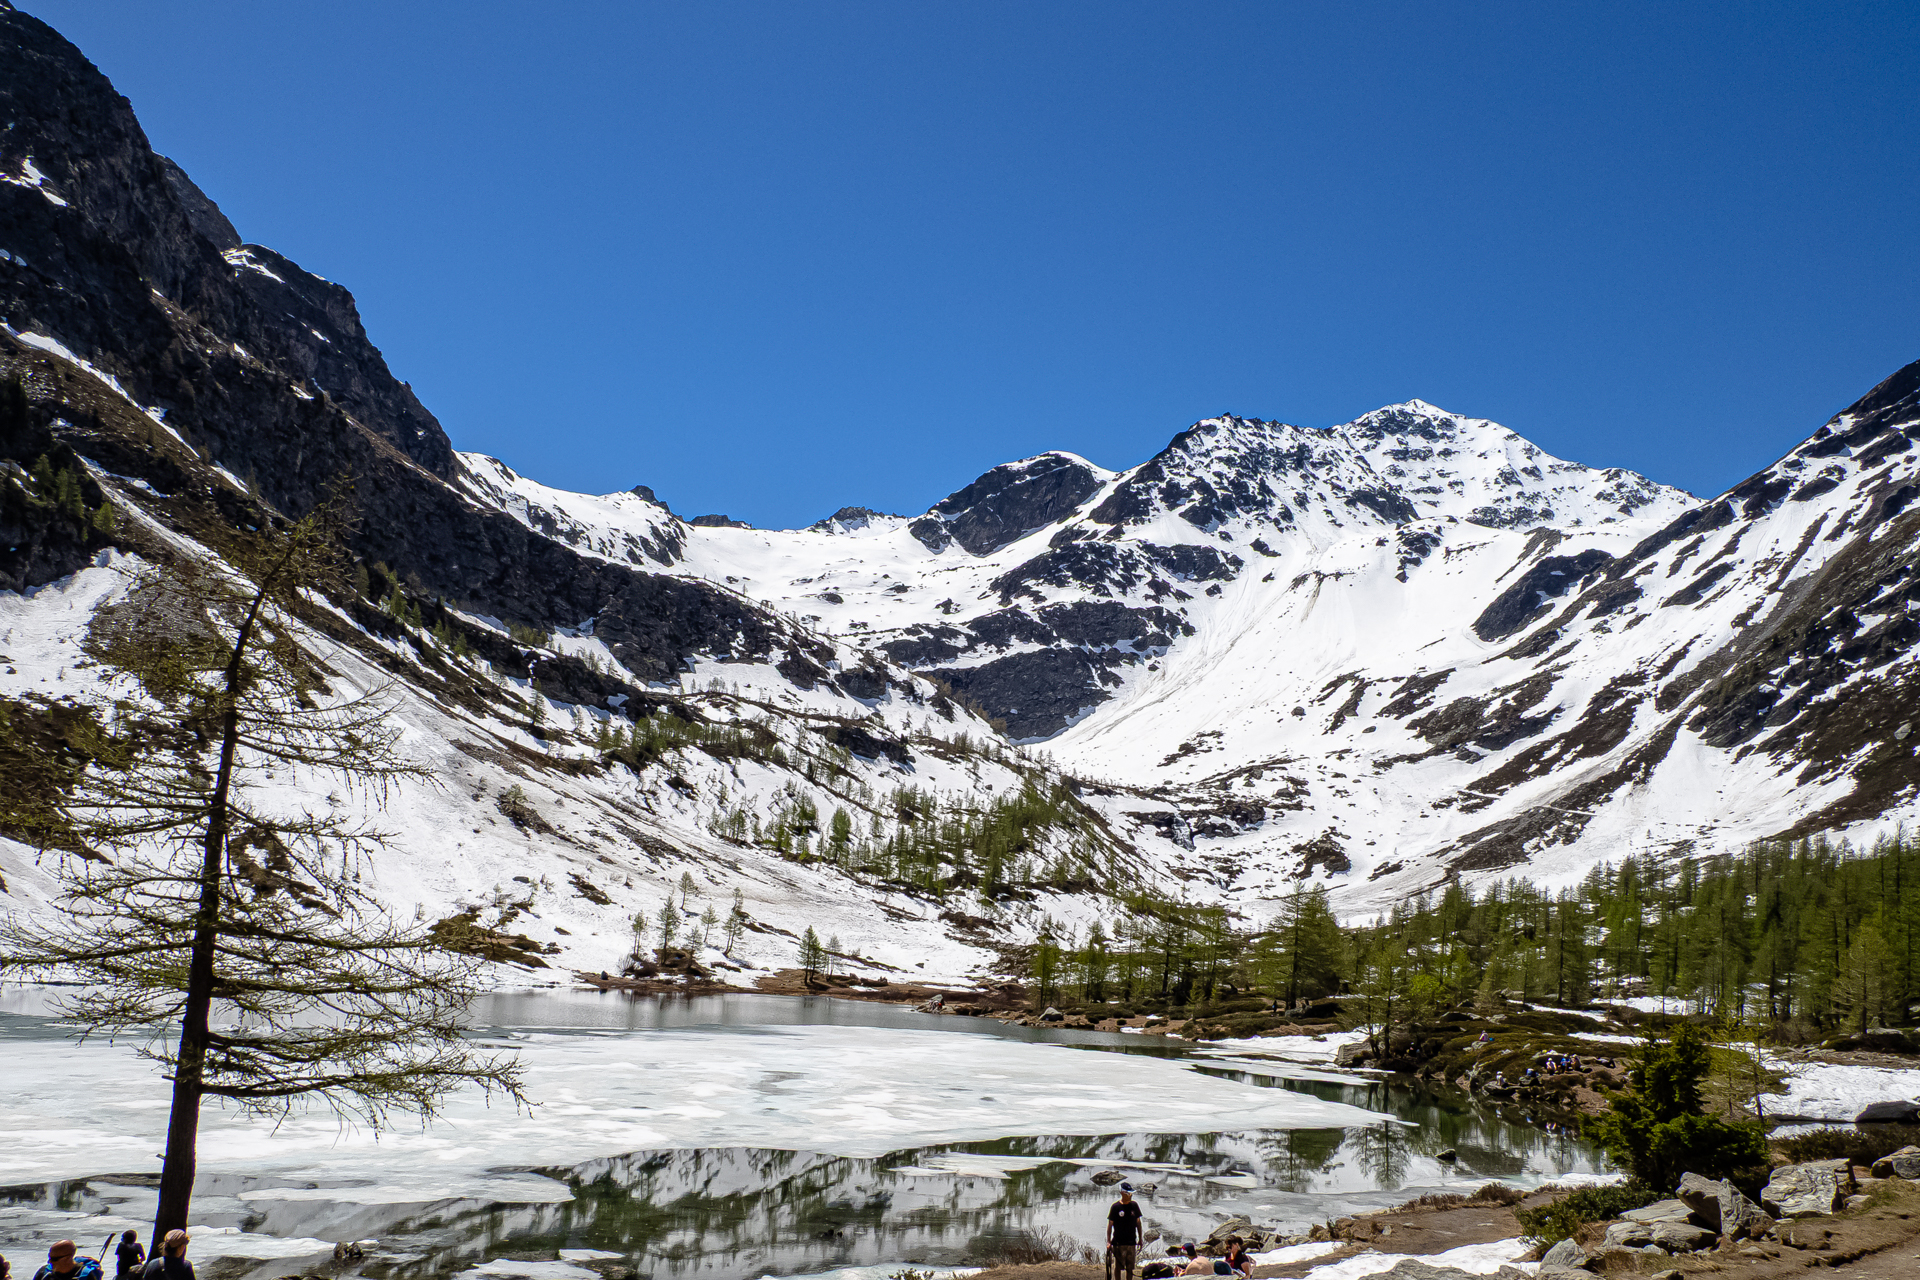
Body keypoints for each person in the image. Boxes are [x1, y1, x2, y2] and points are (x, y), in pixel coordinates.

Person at [1106, 1183, 1144, 1280]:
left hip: (1131, 1242)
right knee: (1118, 1267)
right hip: (1118, 1243)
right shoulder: (1115, 1207)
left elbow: (1138, 1223)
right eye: (1128, 1193)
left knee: (1130, 1268)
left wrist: (1140, 1239)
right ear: (1122, 1193)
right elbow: (1110, 1225)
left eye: (1131, 1193)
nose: (1130, 1195)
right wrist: (1109, 1241)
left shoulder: (1134, 1205)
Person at [33, 1242, 101, 1280]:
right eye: (49, 1257)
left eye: (54, 1259)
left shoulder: (86, 1276)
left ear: (68, 1258)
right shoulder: (44, 1273)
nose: (50, 1261)